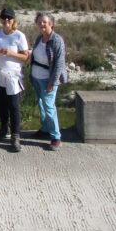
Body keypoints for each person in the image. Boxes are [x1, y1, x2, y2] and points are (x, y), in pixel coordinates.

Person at [0, 8, 29, 153]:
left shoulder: (19, 36)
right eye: (4, 18)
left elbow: (25, 56)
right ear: (0, 19)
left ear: (13, 20)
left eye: (9, 18)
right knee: (2, 104)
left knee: (14, 106)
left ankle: (15, 136)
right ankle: (3, 128)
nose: (6, 21)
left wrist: (11, 53)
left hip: (13, 75)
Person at [31, 11, 68, 151]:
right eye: (39, 22)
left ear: (51, 24)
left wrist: (52, 82)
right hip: (36, 76)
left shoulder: (57, 40)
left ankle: (56, 137)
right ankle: (45, 128)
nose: (41, 24)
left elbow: (59, 63)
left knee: (49, 106)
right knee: (41, 104)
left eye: (44, 22)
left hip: (48, 79)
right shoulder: (39, 38)